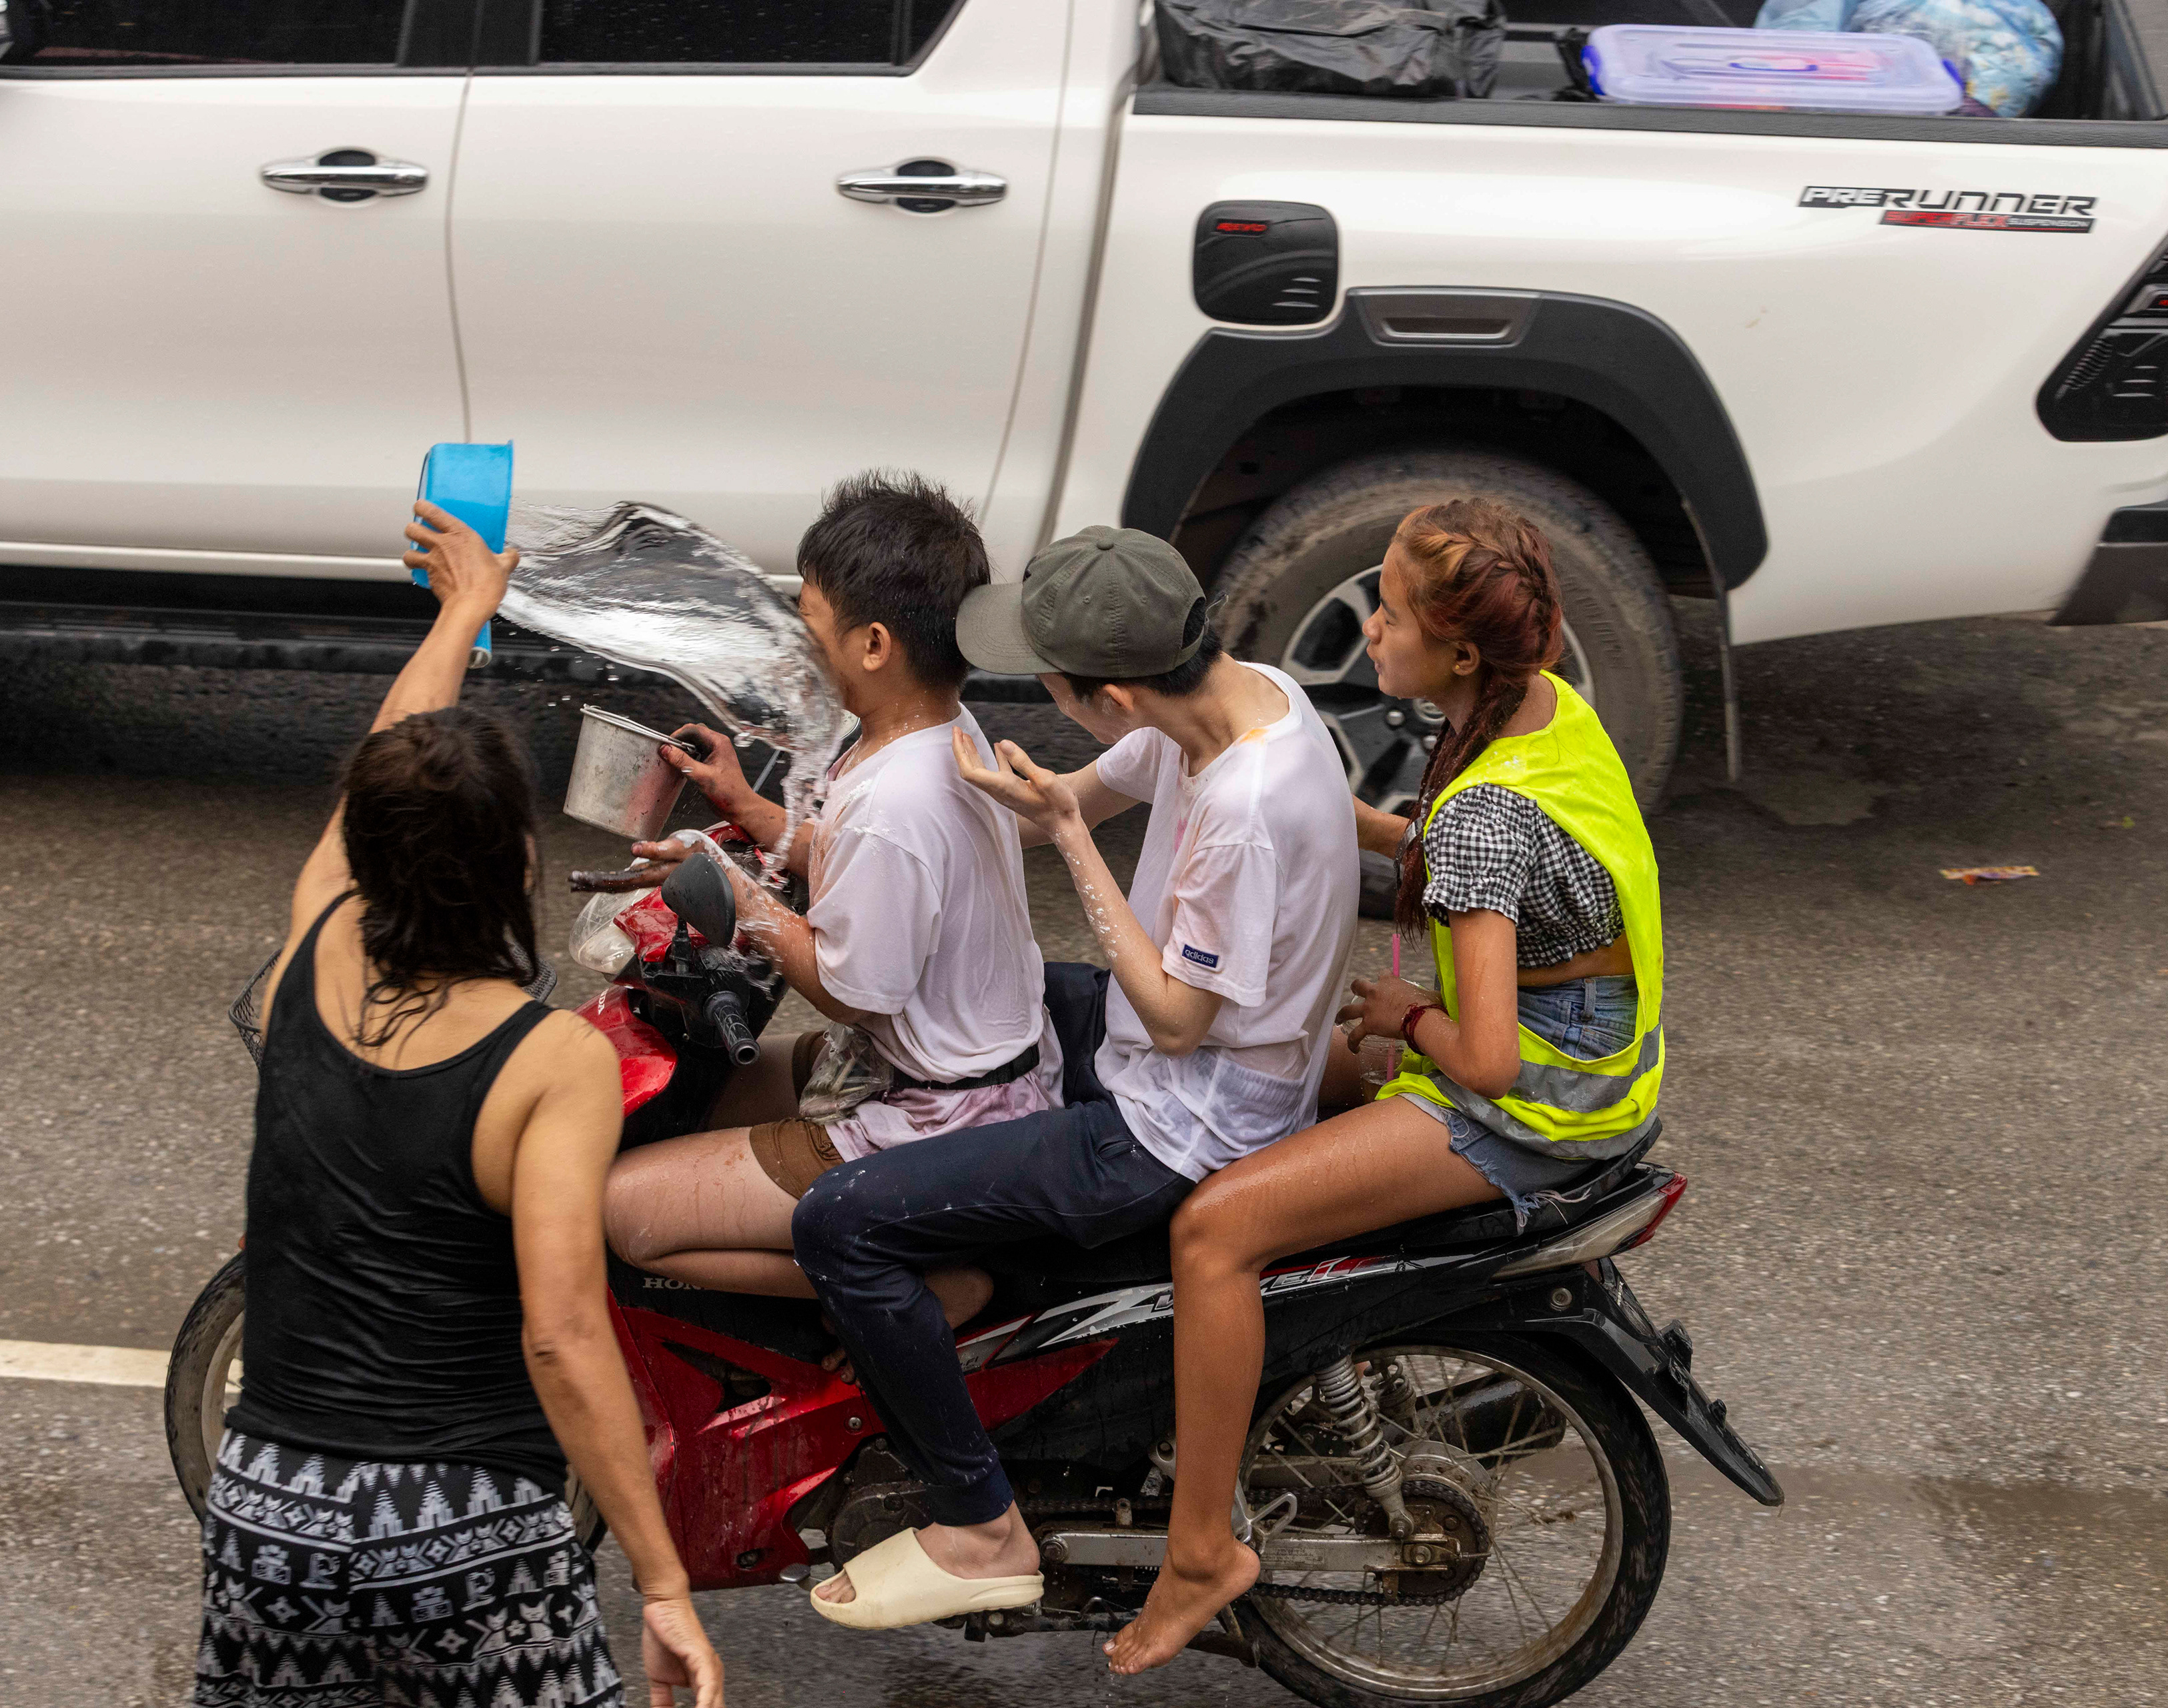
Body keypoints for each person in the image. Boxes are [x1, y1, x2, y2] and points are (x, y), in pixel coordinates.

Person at [1105, 498, 1668, 1674]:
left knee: (1214, 1231)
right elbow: (1443, 855)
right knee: (1282, 1081)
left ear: (1460, 653)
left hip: (1523, 1111)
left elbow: (1491, 1056)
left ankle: (1199, 1549)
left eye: (1393, 613)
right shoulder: (1544, 712)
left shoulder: (1480, 819)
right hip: (1605, 1074)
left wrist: (1406, 1013)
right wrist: (1327, 803)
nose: (1368, 626)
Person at [193, 501, 722, 1707]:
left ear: (368, 850)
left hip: (269, 1507)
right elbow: (563, 1334)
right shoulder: (550, 1064)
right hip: (466, 1527)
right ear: (518, 868)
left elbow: (387, 762)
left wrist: (466, 608)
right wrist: (660, 1581)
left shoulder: (311, 949)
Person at [784, 526, 1359, 1631]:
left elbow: (1178, 1018)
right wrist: (871, 812)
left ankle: (978, 1521)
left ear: (1113, 695)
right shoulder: (1248, 694)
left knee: (839, 1225)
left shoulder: (1242, 810)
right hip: (1165, 1051)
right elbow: (1074, 800)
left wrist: (1068, 840)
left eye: (1051, 679)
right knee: (985, 991)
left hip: (1181, 1120)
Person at [602, 474, 1052, 1335]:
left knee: (628, 1210)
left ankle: (920, 1288)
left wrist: (741, 900)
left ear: (874, 642)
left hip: (934, 1123)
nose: (798, 637)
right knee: (705, 1100)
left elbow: (853, 988)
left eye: (809, 618)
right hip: (959, 1079)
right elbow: (863, 863)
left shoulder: (898, 799)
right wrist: (744, 808)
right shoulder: (932, 732)